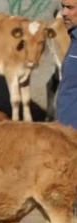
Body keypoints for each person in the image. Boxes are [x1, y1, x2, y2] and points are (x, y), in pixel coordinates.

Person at [57, 0, 77, 128]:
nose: (63, 13)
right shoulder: (74, 39)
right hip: (65, 134)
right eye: (63, 7)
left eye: (70, 8)